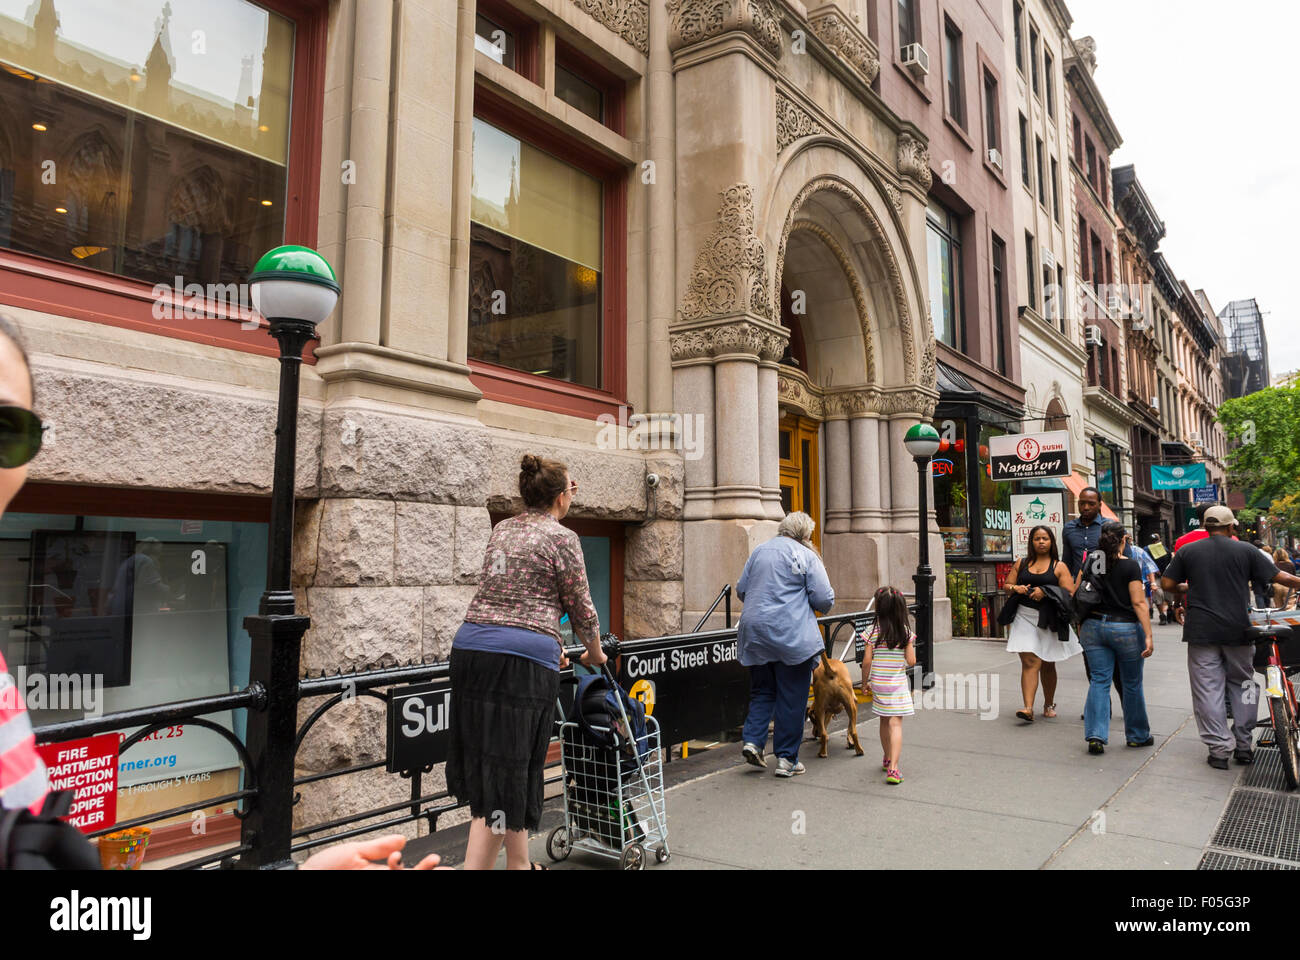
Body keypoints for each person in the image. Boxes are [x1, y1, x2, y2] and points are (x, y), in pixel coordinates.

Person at [446, 454, 606, 870]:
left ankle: (519, 864)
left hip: (472, 649)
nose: (574, 496)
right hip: (520, 661)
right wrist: (596, 652)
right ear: (558, 496)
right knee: (508, 772)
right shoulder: (562, 538)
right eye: (573, 488)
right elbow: (582, 607)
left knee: (500, 763)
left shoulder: (502, 529)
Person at [1162, 506, 1300, 768]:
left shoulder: (1188, 551)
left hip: (1202, 630)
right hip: (1238, 630)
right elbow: (1280, 577)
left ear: (1206, 526)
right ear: (1230, 527)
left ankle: (1219, 749)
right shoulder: (1245, 550)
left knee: (1207, 690)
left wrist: (1187, 587)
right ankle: (1244, 744)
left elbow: (1167, 585)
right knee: (1244, 682)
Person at [737, 511, 834, 778]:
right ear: (805, 535)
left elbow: (741, 590)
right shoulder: (806, 555)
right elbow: (824, 599)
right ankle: (786, 759)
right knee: (792, 697)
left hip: (755, 633)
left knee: (763, 691)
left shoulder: (759, 551)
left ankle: (753, 741)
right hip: (791, 635)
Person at [1076, 521, 1154, 754]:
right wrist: (1148, 634)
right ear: (1124, 539)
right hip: (1125, 628)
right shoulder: (1130, 566)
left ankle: (1096, 736)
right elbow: (1139, 602)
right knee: (1131, 683)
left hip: (1093, 626)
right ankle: (1137, 736)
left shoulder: (1093, 561)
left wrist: (1080, 623)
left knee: (1099, 680)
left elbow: (1078, 591)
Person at [1001, 525, 1081, 722]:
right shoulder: (1022, 563)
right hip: (1023, 616)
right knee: (1030, 661)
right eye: (1037, 538)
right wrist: (1016, 588)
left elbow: (1069, 593)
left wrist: (1045, 591)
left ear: (1052, 542)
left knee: (1047, 663)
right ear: (1032, 542)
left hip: (1049, 618)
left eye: (1045, 538)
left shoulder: (1059, 566)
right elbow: (1006, 586)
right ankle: (1028, 708)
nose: (1041, 542)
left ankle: (1048, 703)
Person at [859, 587, 914, 785]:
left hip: (879, 683)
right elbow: (911, 661)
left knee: (884, 721)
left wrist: (864, 683)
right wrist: (908, 646)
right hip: (896, 685)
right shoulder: (905, 632)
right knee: (895, 723)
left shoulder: (872, 631)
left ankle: (887, 757)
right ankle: (894, 768)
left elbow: (866, 661)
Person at [1061, 486, 1105, 579]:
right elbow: (1067, 562)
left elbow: (1125, 559)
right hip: (1078, 586)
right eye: (1082, 503)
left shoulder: (1109, 527)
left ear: (1100, 505)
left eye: (1091, 504)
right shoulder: (1069, 528)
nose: (1086, 507)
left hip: (1104, 586)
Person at [1147, 533, 1172, 624]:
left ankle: (1169, 611)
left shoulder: (1165, 550)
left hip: (1164, 575)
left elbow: (1170, 562)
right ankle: (1162, 615)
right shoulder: (1146, 550)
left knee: (1166, 594)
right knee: (1158, 593)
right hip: (1155, 576)